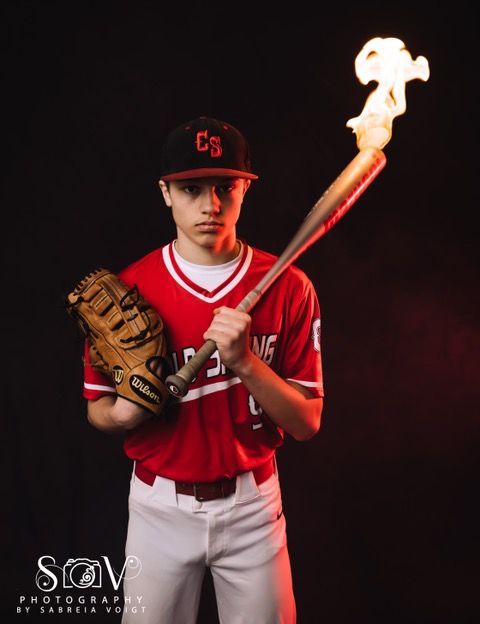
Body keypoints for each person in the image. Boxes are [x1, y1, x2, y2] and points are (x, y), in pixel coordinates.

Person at [83, 116, 324, 623]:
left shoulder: (289, 286)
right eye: (191, 189)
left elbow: (306, 423)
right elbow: (97, 411)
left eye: (225, 188)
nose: (210, 205)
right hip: (158, 508)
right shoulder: (129, 291)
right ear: (166, 193)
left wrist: (245, 362)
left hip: (253, 506)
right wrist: (124, 414)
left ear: (243, 191)